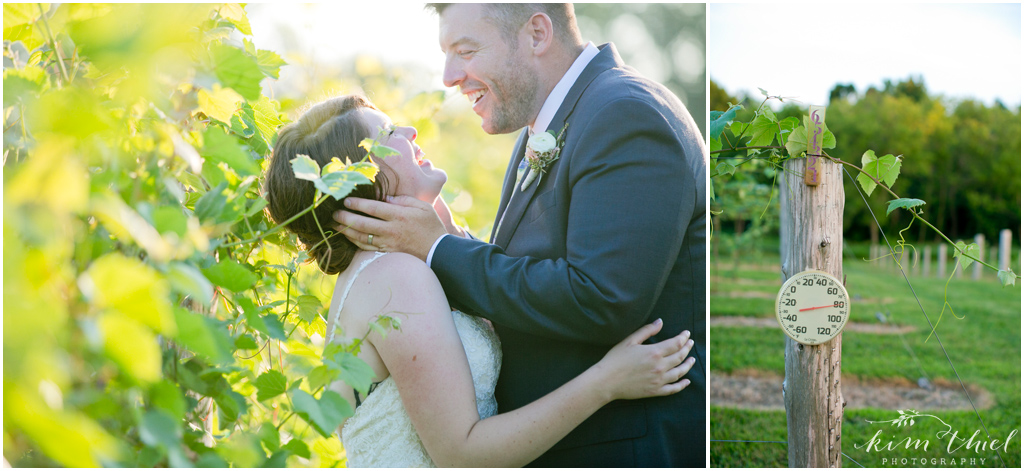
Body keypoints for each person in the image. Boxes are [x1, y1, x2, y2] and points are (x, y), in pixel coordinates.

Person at [332, 4, 707, 466]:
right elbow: (526, 275)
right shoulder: (548, 125)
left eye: (465, 51)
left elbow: (602, 298)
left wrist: (438, 249)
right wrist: (448, 236)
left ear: (536, 33)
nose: (449, 77)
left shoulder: (626, 115)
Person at [262, 94, 696, 467]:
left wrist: (443, 230)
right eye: (389, 132)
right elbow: (462, 453)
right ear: (361, 180)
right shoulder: (395, 277)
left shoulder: (395, 265)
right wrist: (606, 382)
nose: (411, 131)